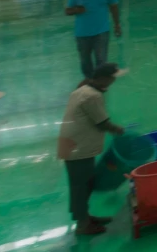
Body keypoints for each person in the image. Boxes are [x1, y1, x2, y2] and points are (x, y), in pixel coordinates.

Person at [57, 63, 125, 236]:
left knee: (83, 184)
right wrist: (119, 130)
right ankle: (83, 225)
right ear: (103, 79)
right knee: (81, 186)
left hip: (71, 144)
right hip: (78, 148)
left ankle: (85, 217)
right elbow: (102, 123)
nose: (113, 82)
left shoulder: (83, 89)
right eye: (111, 79)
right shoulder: (92, 96)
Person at [65, 0, 120, 77]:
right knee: (85, 61)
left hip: (101, 32)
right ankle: (89, 80)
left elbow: (114, 8)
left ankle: (99, 82)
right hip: (82, 34)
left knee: (101, 60)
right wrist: (76, 10)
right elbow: (67, 11)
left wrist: (117, 25)